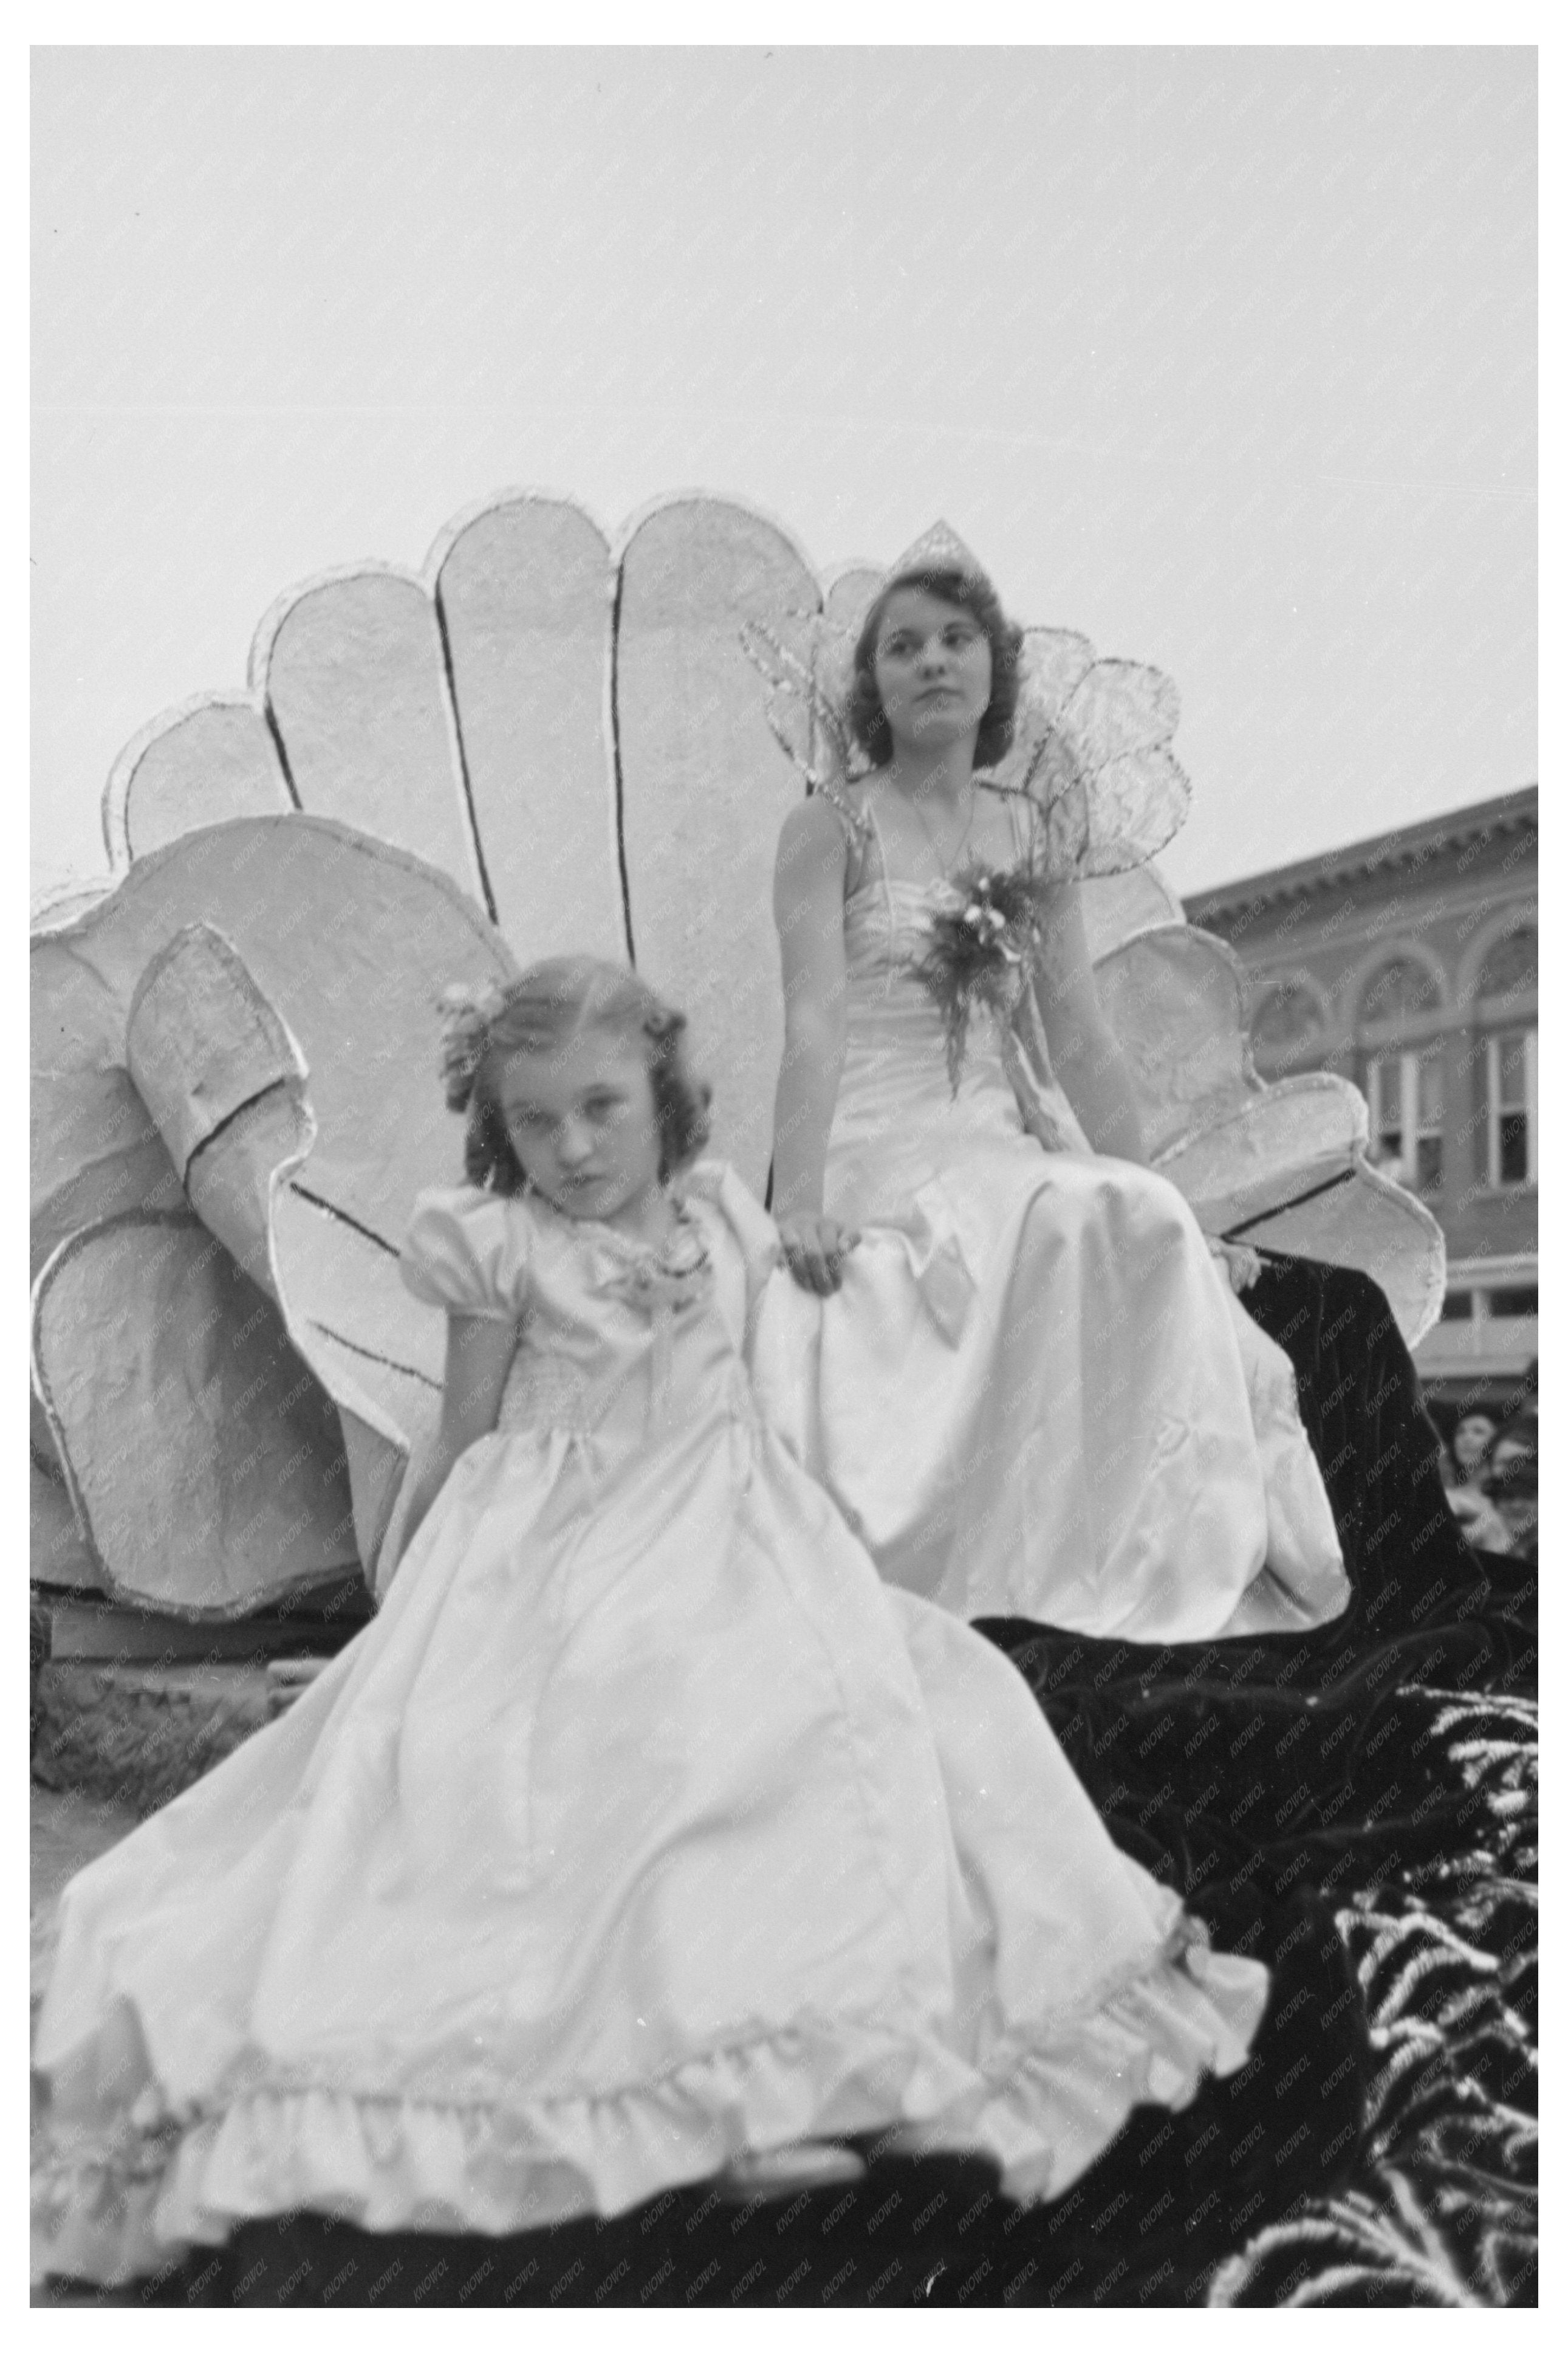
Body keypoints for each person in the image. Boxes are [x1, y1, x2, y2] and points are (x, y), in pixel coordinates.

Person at [32, 957, 1269, 2290]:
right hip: (551, 1546)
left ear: (663, 1096)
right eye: (535, 1121)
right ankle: (709, 2092)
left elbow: (788, 1373)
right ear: (498, 1127)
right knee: (617, 1755)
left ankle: (849, 2053)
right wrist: (400, 1614)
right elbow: (462, 1432)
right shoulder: (499, 1245)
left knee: (895, 1712)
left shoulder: (721, 1216)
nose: (570, 1148)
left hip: (726, 1515)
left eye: (600, 1108)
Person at [761, 524, 1348, 1641]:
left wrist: (1171, 1199)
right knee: (1044, 1213)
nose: (931, 661)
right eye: (901, 647)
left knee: (1123, 1212)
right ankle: (991, 1574)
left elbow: (1076, 1036)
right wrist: (796, 1199)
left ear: (994, 670)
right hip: (874, 1132)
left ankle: (1135, 1564)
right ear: (873, 685)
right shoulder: (826, 827)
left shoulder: (1030, 832)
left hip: (992, 1132)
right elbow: (813, 1023)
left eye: (954, 639)